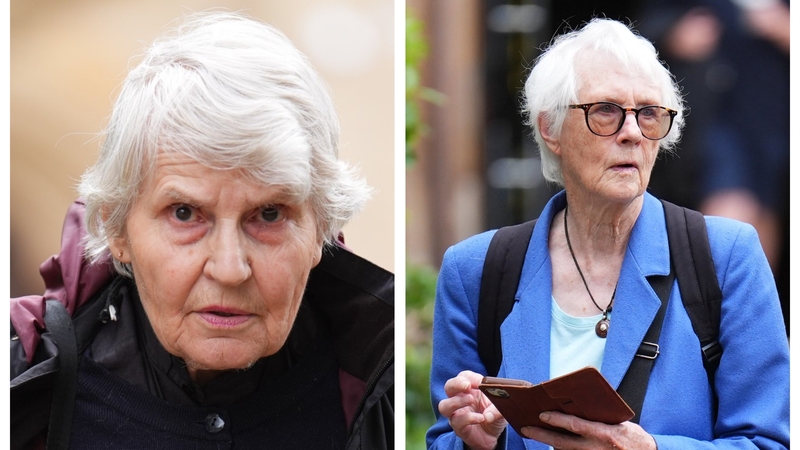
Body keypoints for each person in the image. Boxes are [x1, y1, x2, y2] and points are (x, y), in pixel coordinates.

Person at [10, 12, 394, 450]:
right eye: (185, 213)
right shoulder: (22, 390)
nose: (230, 270)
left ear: (321, 231)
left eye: (269, 214)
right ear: (118, 229)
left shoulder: (382, 386)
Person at [426, 18, 788, 450]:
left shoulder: (727, 256)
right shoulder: (475, 270)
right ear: (550, 128)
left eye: (649, 114)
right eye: (606, 111)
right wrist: (477, 442)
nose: (632, 133)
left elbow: (766, 442)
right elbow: (445, 439)